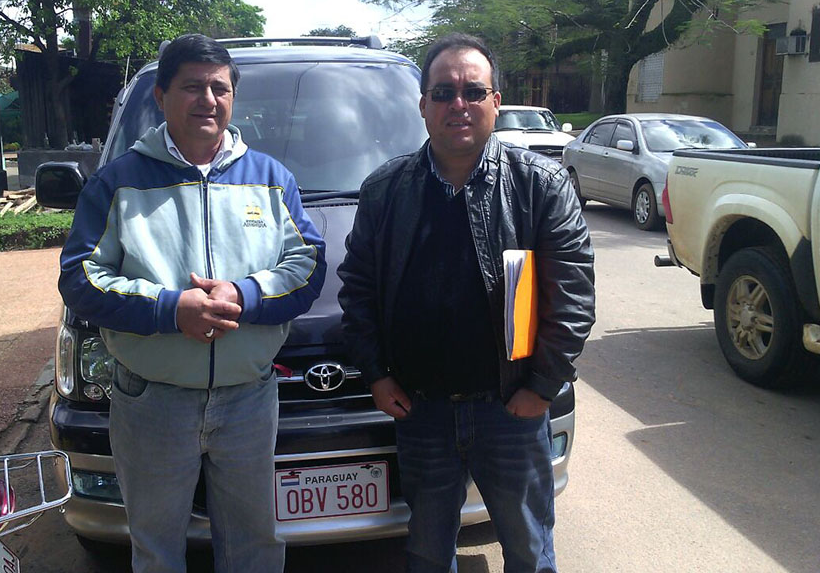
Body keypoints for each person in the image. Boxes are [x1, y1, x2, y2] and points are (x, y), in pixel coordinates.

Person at [58, 33, 326, 573]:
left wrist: (243, 295)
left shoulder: (272, 180)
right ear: (161, 96)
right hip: (152, 401)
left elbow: (309, 266)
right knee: (156, 549)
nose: (207, 99)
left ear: (232, 98)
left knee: (254, 546)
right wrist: (169, 308)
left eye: (219, 88)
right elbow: (80, 277)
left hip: (249, 400)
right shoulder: (118, 182)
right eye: (192, 87)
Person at [337, 33, 595, 573]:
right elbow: (357, 289)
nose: (459, 104)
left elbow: (572, 296)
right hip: (421, 410)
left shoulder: (539, 184)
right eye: (444, 92)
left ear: (496, 102)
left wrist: (542, 387)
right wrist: (377, 376)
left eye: (474, 91)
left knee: (528, 549)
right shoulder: (385, 190)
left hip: (510, 409)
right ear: (424, 106)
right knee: (428, 551)